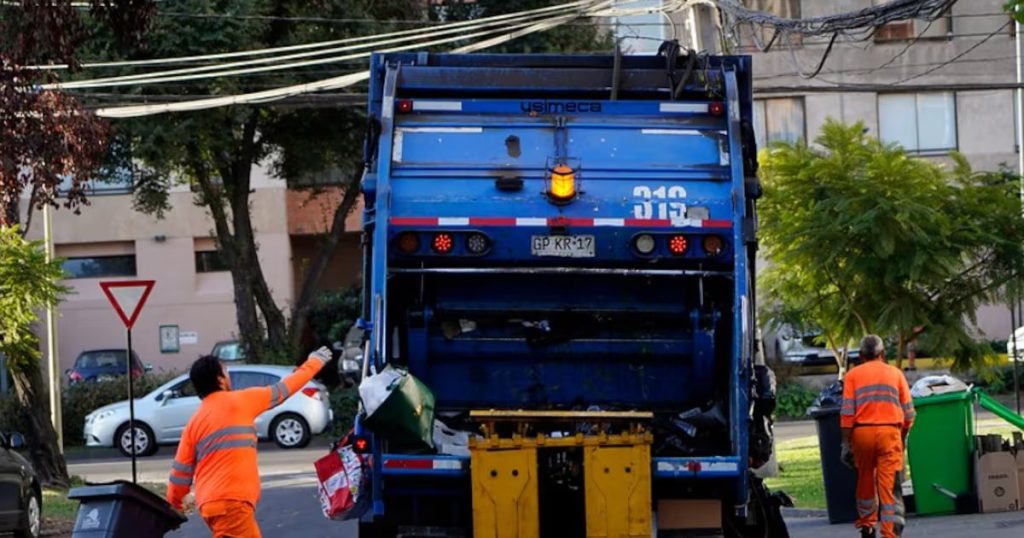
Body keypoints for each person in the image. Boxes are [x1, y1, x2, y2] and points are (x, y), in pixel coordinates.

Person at [166, 347, 332, 537]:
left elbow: (180, 473)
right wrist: (315, 362)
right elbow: (284, 389)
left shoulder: (194, 423)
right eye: (226, 372)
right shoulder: (242, 401)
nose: (229, 377)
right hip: (232, 502)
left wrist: (174, 507)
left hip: (211, 504)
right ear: (220, 379)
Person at [840, 335, 915, 538]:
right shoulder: (896, 374)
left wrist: (846, 444)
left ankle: (867, 526)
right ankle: (890, 533)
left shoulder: (852, 376)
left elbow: (847, 414)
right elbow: (909, 414)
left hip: (862, 434)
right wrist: (902, 437)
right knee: (889, 486)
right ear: (882, 354)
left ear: (861, 355)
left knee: (865, 481)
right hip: (890, 433)